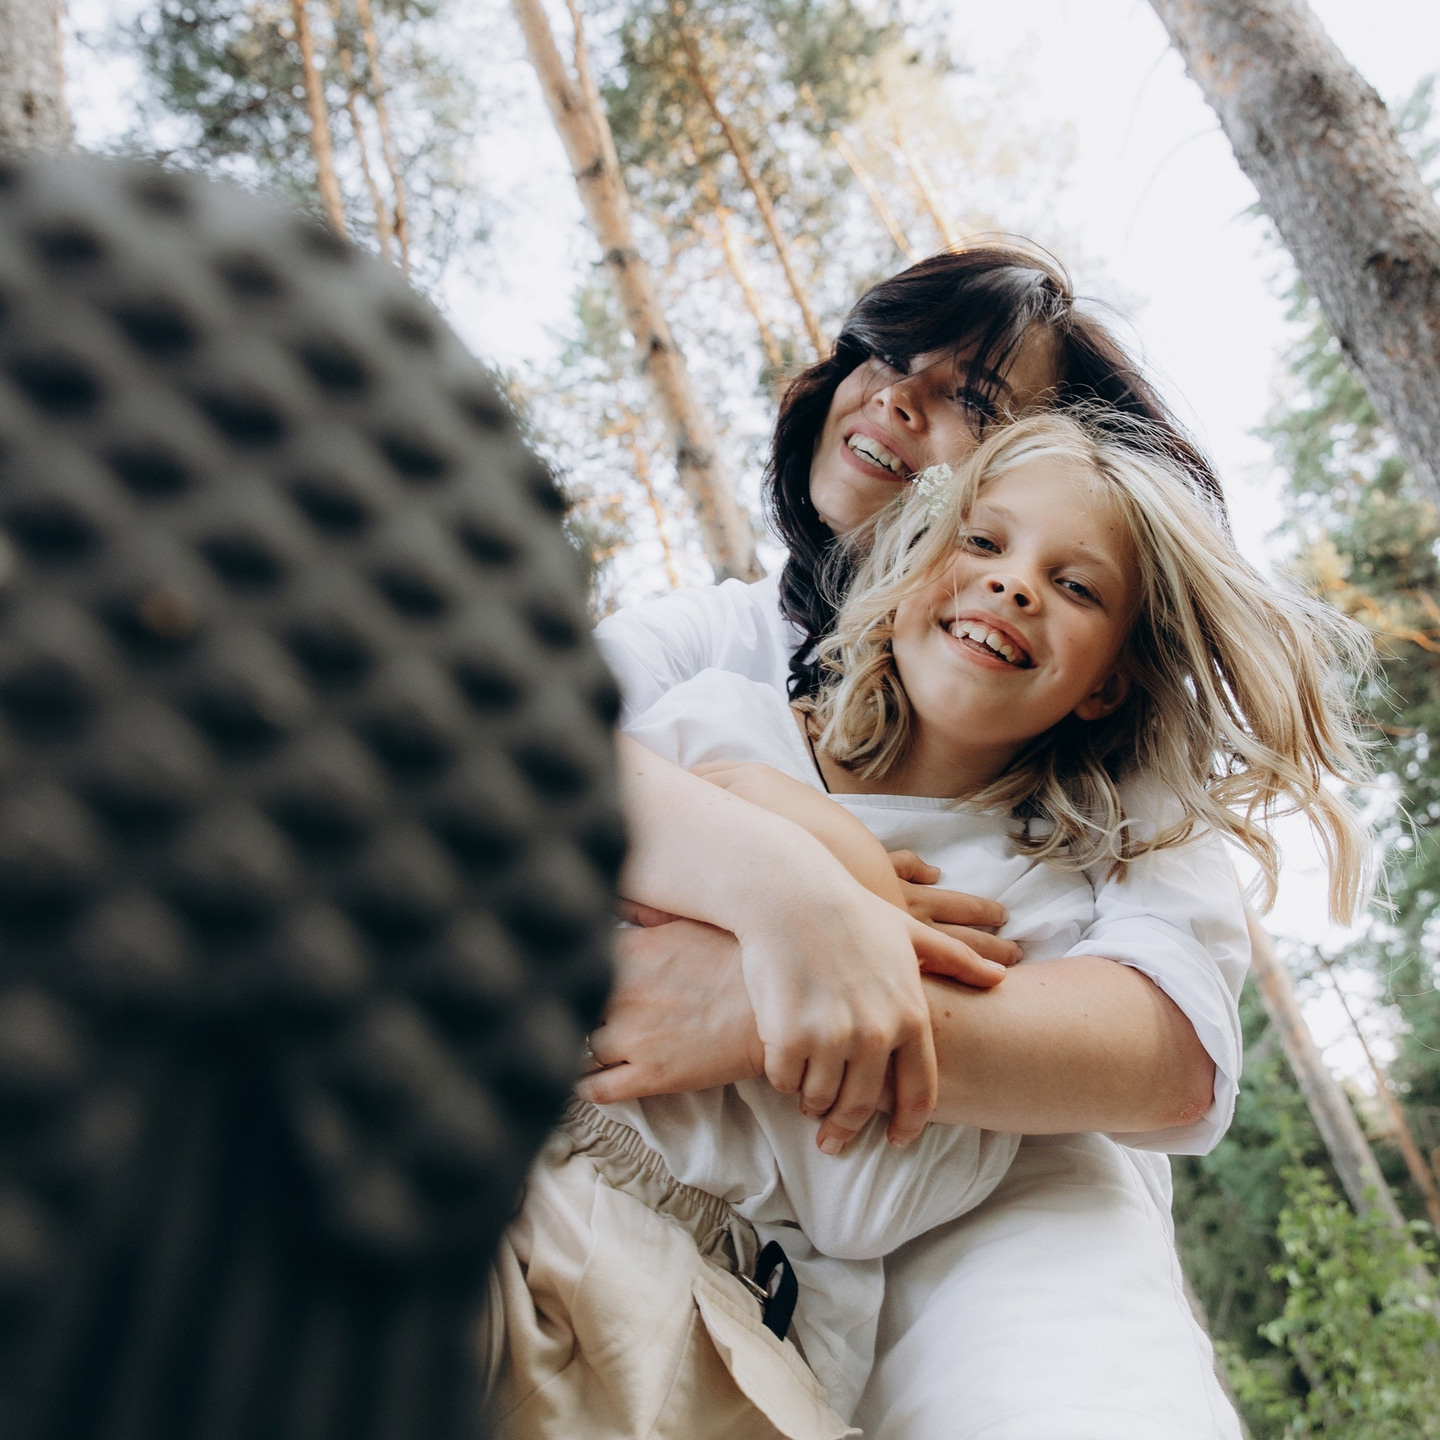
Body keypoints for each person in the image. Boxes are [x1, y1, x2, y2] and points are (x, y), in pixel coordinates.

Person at [491, 412, 1371, 1440]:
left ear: (1106, 685)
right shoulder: (725, 721)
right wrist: (796, 858)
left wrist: (826, 930)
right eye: (984, 542)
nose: (1014, 585)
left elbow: (870, 1199)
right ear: (912, 570)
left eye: (1075, 586)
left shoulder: (1031, 913)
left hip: (690, 1290)